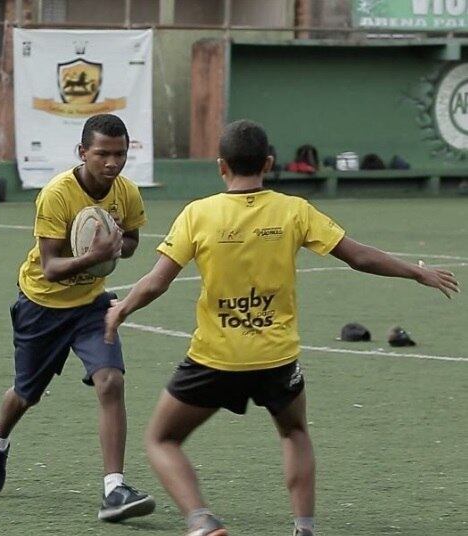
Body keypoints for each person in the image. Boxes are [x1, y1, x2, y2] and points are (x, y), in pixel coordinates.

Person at [103, 120, 460, 536]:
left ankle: (201, 520)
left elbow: (157, 281)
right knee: (293, 431)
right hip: (276, 358)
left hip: (215, 358)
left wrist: (122, 308)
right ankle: (304, 527)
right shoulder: (294, 210)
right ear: (269, 163)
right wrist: (416, 274)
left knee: (161, 440)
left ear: (221, 166)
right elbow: (359, 256)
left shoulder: (197, 214)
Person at [0, 114, 155, 522]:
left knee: (111, 381)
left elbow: (131, 240)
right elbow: (51, 266)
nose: (112, 163)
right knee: (26, 394)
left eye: (120, 154)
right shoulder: (57, 194)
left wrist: (116, 245)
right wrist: (95, 255)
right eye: (102, 154)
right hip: (41, 304)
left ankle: (115, 489)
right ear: (82, 153)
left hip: (91, 306)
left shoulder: (125, 192)